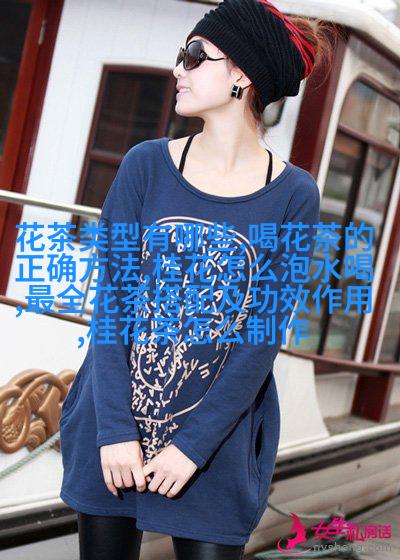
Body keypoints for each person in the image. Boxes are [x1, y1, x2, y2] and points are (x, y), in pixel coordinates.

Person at [59, 1, 334, 558]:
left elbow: (260, 338)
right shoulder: (145, 165)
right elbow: (111, 307)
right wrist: (115, 432)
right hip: (113, 429)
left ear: (242, 75)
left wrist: (192, 448)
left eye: (193, 56)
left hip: (214, 447)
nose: (177, 70)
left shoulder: (294, 195)